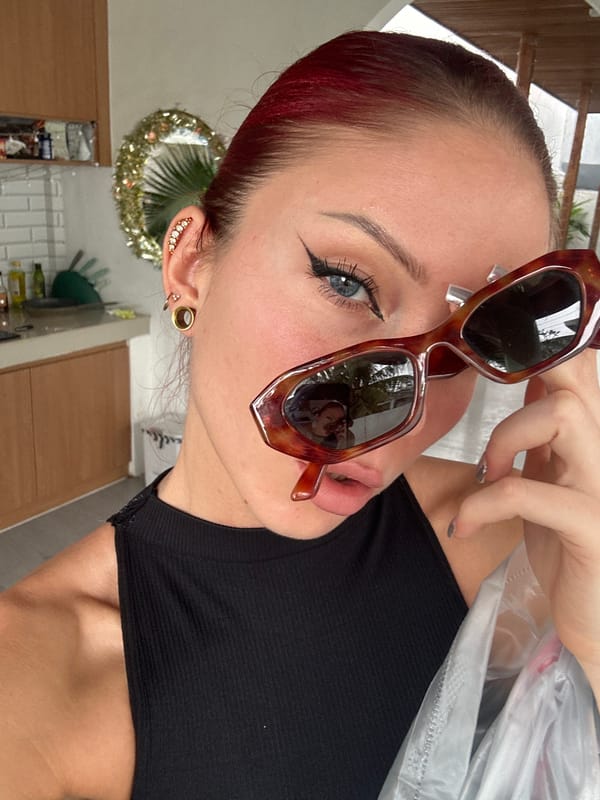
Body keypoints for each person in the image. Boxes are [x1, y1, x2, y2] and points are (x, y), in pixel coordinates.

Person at [1, 30, 599, 800]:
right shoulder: (34, 681)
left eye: (469, 343)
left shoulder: (517, 546)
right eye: (347, 283)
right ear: (190, 264)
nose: (393, 415)